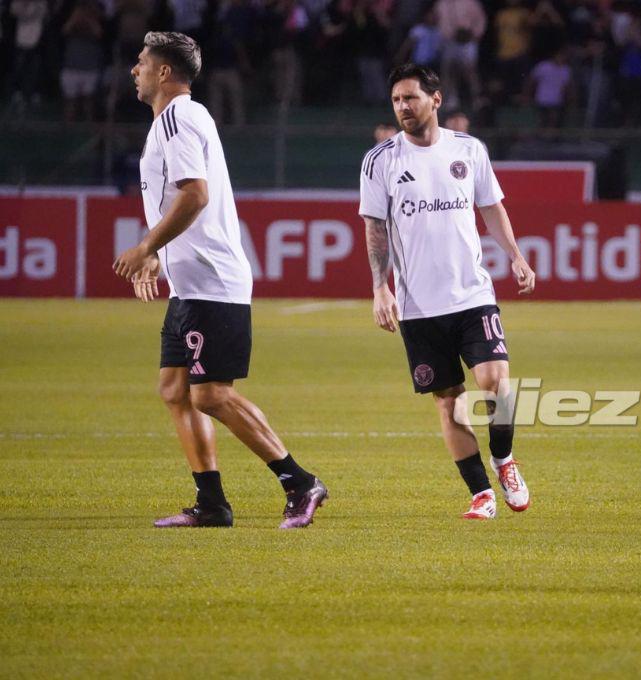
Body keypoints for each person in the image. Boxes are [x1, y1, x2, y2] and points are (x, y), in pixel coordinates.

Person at [113, 32, 327, 529]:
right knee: (174, 388)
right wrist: (162, 260)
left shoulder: (179, 117)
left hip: (212, 282)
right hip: (191, 283)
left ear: (165, 72)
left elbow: (195, 195)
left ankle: (299, 481)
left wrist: (146, 247)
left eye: (142, 62)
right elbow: (183, 204)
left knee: (209, 393)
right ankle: (211, 504)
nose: (134, 69)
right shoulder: (172, 121)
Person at [359, 63, 536, 520]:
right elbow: (375, 229)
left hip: (472, 294)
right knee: (449, 400)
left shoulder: (469, 150)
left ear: (435, 100)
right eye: (396, 100)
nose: (402, 107)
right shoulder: (380, 161)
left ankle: (504, 459)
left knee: (496, 383)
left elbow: (491, 207)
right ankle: (481, 493)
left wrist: (515, 255)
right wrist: (381, 288)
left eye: (410, 98)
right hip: (419, 306)